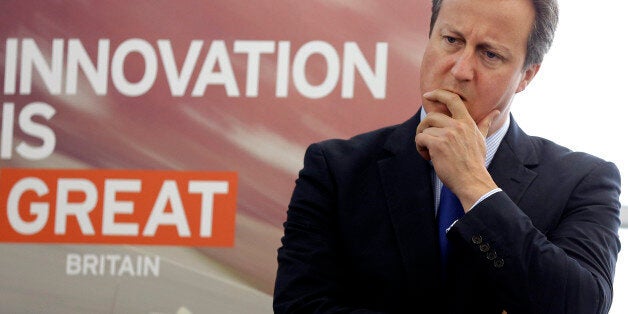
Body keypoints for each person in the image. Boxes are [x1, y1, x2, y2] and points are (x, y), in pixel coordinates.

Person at [273, 0, 622, 313]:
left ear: (526, 76)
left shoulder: (584, 180)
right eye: (452, 40)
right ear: (428, 39)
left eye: (490, 54)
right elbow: (299, 305)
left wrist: (475, 186)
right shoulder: (336, 168)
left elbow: (582, 305)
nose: (459, 70)